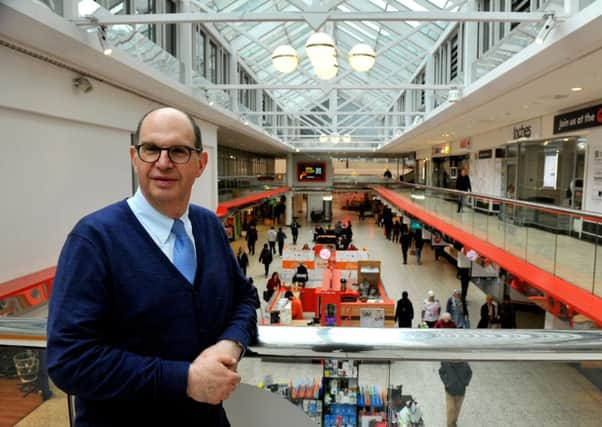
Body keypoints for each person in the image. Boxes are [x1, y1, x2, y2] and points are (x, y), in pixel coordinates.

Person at [46, 107, 257, 426]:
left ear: (201, 164)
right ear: (134, 157)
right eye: (151, 149)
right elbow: (69, 360)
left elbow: (244, 298)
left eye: (178, 151)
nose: (163, 162)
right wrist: (184, 379)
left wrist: (231, 343)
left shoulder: (208, 225)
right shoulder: (94, 239)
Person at [439, 361, 472, 427]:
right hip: (450, 392)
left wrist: (465, 382)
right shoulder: (446, 363)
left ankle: (453, 423)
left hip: (461, 392)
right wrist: (446, 383)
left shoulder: (465, 363)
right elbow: (441, 372)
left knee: (457, 409)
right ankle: (449, 425)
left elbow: (469, 372)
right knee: (450, 409)